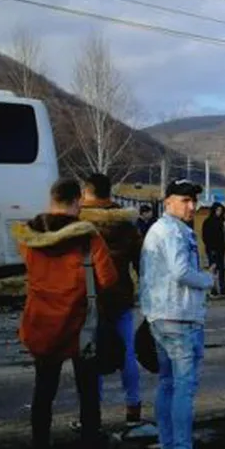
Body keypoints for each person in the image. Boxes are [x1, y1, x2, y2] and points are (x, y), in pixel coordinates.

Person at [16, 177, 118, 449]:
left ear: (52, 200)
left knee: (43, 392)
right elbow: (108, 279)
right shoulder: (89, 238)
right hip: (79, 327)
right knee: (87, 392)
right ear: (77, 202)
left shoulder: (29, 237)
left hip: (42, 324)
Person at [140, 179, 217, 449]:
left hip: (161, 314)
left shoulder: (158, 230)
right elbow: (181, 271)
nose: (191, 206)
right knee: (184, 385)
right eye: (185, 200)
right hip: (179, 316)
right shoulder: (173, 231)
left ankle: (168, 447)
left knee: (168, 383)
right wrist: (208, 280)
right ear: (168, 201)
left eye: (193, 200)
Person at [79, 174, 146, 429]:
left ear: (87, 192)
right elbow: (141, 261)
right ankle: (133, 406)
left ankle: (92, 412)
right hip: (120, 296)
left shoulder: (78, 222)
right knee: (127, 353)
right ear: (110, 193)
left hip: (87, 298)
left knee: (89, 355)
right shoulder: (126, 224)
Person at [202, 203, 225, 297]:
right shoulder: (208, 222)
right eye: (217, 210)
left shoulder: (222, 221)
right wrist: (210, 247)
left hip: (221, 248)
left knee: (222, 269)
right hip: (212, 248)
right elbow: (206, 236)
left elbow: (224, 235)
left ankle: (223, 288)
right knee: (213, 269)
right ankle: (213, 288)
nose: (219, 212)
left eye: (221, 211)